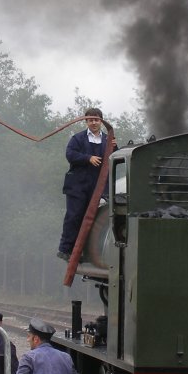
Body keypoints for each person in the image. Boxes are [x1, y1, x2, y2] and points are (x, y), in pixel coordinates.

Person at [57, 107, 116, 261]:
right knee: (74, 216)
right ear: (86, 121)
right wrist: (88, 158)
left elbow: (115, 158)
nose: (93, 122)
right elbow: (70, 154)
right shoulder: (77, 139)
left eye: (96, 119)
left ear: (101, 121)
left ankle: (83, 252)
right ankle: (65, 249)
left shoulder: (108, 140)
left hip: (98, 187)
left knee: (93, 219)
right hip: (78, 186)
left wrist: (115, 148)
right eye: (90, 120)